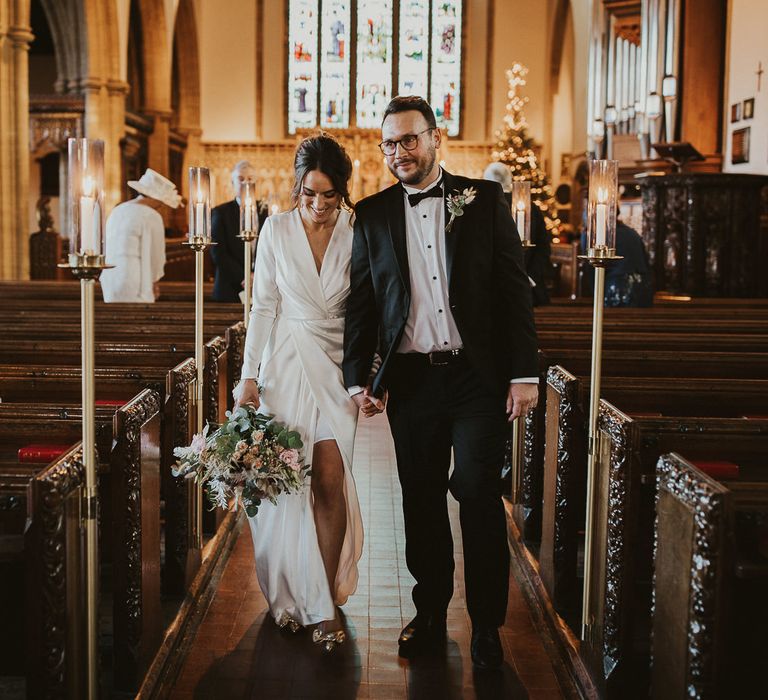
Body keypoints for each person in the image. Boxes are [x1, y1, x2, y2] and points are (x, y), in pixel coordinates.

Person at [343, 96, 539, 670]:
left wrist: (524, 373)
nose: (399, 152)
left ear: (435, 138)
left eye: (409, 139)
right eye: (389, 144)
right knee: (421, 500)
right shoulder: (373, 213)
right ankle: (428, 612)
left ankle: (486, 625)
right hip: (413, 383)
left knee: (478, 494)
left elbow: (513, 289)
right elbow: (362, 302)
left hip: (477, 378)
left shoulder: (483, 200)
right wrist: (359, 377)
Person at [233, 134, 369, 654]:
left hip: (335, 367)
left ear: (343, 192)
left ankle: (326, 601)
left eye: (329, 195)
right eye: (309, 193)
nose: (318, 205)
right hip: (285, 364)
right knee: (286, 482)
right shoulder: (276, 229)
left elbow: (368, 309)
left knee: (331, 480)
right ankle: (291, 594)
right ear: (297, 187)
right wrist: (249, 375)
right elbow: (263, 306)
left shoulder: (358, 232)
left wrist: (371, 377)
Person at [100, 168, 181, 303]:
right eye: (161, 202)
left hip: (109, 276)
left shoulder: (118, 210)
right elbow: (156, 255)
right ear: (156, 198)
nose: (161, 206)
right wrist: (154, 280)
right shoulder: (151, 215)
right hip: (134, 278)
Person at [483, 162, 552, 306]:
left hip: (490, 291)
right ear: (509, 180)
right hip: (530, 288)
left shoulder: (482, 208)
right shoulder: (530, 206)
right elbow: (544, 247)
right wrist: (529, 276)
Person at [210, 161, 268, 302]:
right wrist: (244, 277)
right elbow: (218, 253)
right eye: (240, 179)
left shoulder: (266, 211)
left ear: (256, 182)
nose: (245, 183)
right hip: (229, 288)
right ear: (232, 183)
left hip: (262, 286)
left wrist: (258, 276)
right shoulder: (220, 212)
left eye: (250, 179)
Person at [580, 210, 654, 307]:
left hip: (616, 290)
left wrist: (595, 297)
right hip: (643, 289)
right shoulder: (632, 233)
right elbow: (647, 264)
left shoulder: (593, 237)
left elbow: (591, 270)